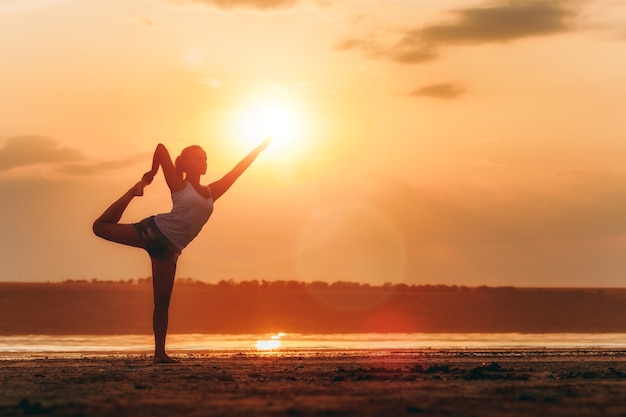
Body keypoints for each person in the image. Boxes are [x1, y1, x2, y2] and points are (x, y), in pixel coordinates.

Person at [92, 137, 271, 363]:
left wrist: (258, 149)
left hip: (169, 252)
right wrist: (151, 175)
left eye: (205, 159)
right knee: (100, 228)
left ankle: (159, 354)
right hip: (154, 232)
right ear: (184, 163)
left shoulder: (211, 192)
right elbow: (160, 148)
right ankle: (132, 193)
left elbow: (236, 172)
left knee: (162, 303)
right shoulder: (178, 184)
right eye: (198, 158)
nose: (203, 162)